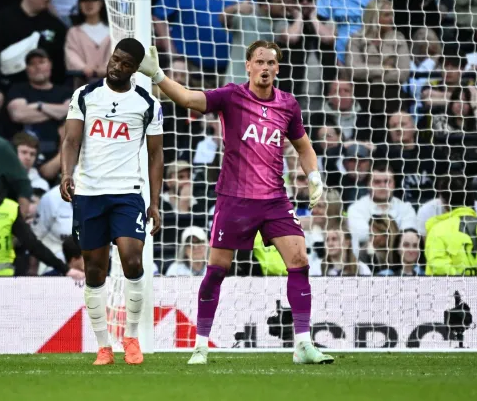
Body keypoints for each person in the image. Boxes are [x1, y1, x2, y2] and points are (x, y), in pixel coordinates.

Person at [139, 40, 333, 365]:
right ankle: (200, 346)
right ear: (249, 65)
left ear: (278, 68)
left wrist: (314, 176)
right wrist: (157, 74)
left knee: (299, 260)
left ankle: (302, 344)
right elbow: (188, 98)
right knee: (217, 270)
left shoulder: (288, 104)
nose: (266, 67)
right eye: (260, 61)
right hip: (234, 199)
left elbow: (304, 147)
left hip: (274, 199)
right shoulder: (230, 96)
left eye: (272, 62)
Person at [60, 38, 164, 365]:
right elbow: (71, 139)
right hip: (89, 194)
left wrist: (155, 202)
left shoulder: (147, 103)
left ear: (135, 69)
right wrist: (67, 173)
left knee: (133, 260)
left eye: (124, 63)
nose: (116, 66)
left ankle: (131, 337)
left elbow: (156, 155)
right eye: (114, 59)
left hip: (127, 193)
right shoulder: (85, 95)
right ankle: (103, 346)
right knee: (94, 270)